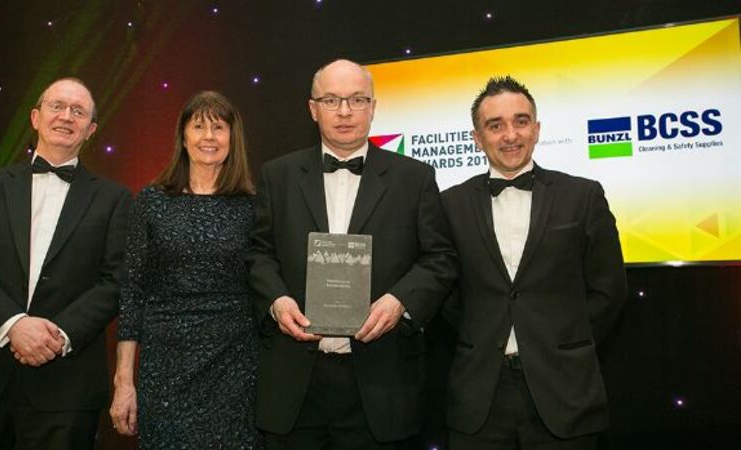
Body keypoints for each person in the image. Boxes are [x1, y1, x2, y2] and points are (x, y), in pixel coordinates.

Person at [247, 59, 457, 449]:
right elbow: (259, 254)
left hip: (382, 384)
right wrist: (276, 301)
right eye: (331, 100)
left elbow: (440, 258)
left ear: (373, 107)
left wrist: (401, 301)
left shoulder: (415, 178)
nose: (344, 111)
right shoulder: (278, 175)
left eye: (357, 99)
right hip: (295, 385)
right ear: (313, 108)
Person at [0, 77, 132, 449]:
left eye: (78, 111)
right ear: (35, 116)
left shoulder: (116, 198)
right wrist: (13, 325)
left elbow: (117, 281)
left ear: (91, 129)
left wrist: (57, 335)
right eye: (56, 106)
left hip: (65, 392)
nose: (66, 116)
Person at [440, 75, 628, 449]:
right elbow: (444, 292)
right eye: (496, 125)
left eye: (521, 121)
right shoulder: (449, 205)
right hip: (479, 398)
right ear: (477, 138)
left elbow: (609, 290)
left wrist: (563, 341)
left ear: (537, 129)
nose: (510, 135)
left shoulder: (583, 196)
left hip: (566, 393)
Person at [109, 91, 262, 449]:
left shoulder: (252, 206)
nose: (209, 137)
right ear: (183, 136)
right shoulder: (151, 201)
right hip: (164, 368)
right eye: (199, 126)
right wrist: (124, 380)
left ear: (232, 138)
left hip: (235, 366)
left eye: (218, 127)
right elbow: (131, 292)